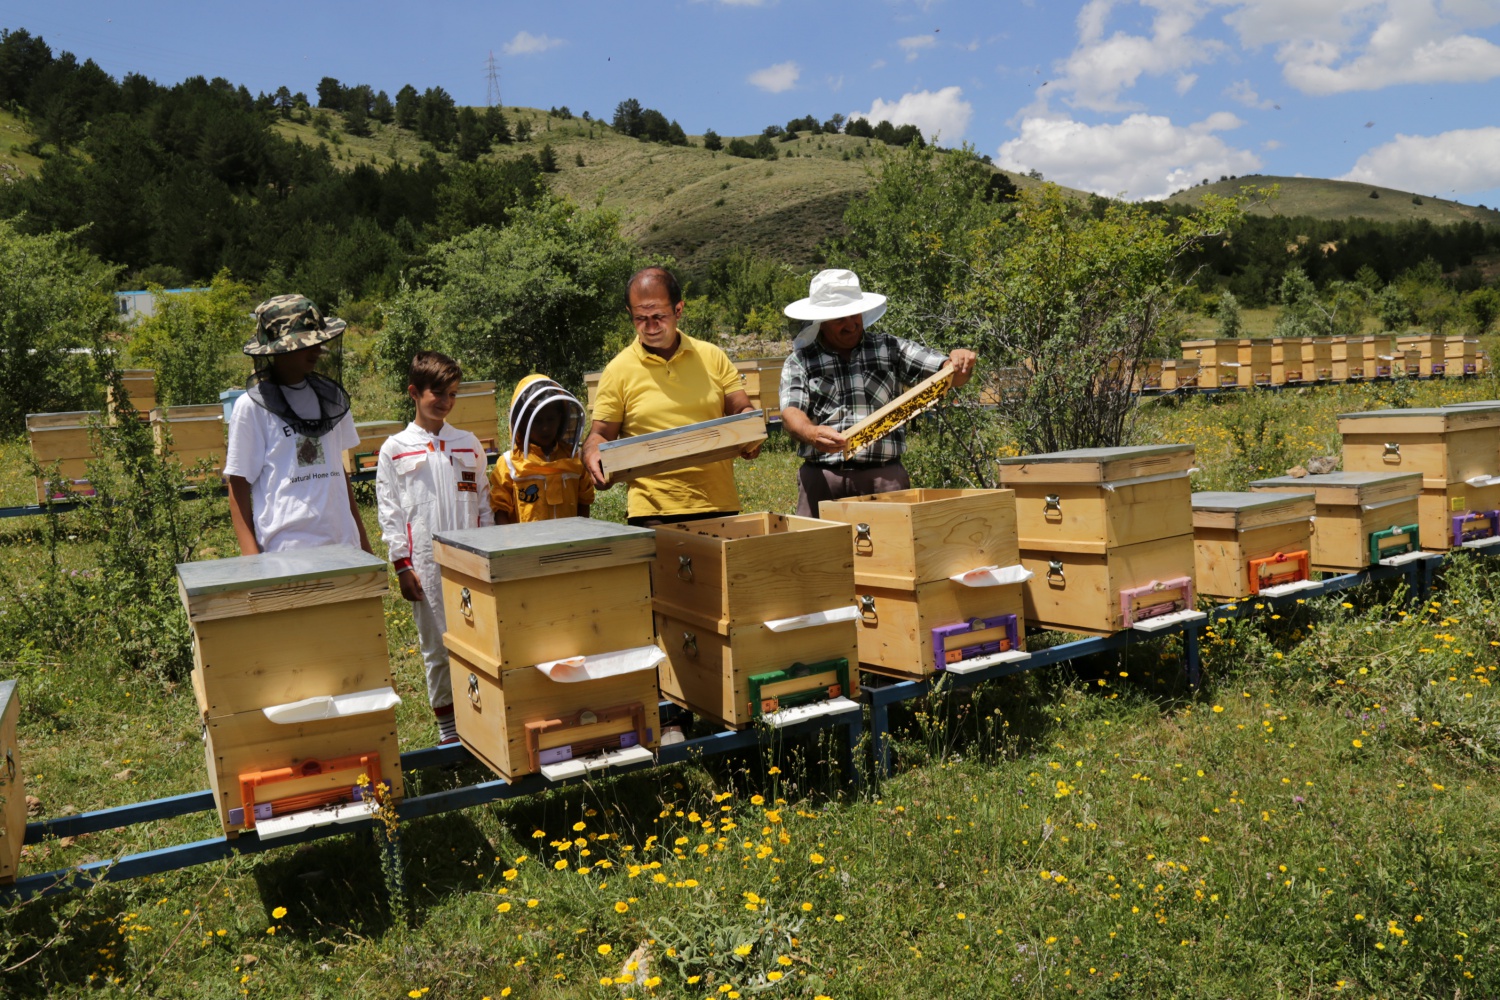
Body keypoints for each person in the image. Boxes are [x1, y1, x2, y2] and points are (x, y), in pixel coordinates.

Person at [779, 269, 977, 516]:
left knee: (893, 551)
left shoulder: (890, 347)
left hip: (884, 478)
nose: (851, 324)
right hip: (822, 478)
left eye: (855, 315)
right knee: (819, 553)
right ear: (821, 321)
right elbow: (791, 413)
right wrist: (812, 433)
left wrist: (959, 363)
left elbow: (946, 373)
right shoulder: (800, 361)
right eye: (840, 318)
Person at [375, 351, 493, 745]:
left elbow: (483, 502)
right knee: (437, 647)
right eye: (437, 393)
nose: (444, 401)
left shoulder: (467, 443)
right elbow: (389, 511)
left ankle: (482, 718)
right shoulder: (394, 449)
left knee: (479, 641)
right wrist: (401, 564)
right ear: (414, 392)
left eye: (453, 394)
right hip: (424, 565)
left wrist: (488, 551)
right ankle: (449, 729)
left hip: (471, 560)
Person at [584, 267, 761, 527]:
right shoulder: (618, 370)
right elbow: (599, 435)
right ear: (629, 314)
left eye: (658, 316)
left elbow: (741, 409)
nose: (650, 326)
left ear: (678, 310)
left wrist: (752, 430)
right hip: (652, 512)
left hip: (717, 505)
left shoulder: (712, 356)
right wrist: (592, 454)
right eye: (640, 318)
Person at [225, 293, 373, 555]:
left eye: (318, 340)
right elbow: (237, 486)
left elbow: (339, 471)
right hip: (286, 551)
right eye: (305, 343)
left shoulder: (333, 398)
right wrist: (252, 562)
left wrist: (363, 543)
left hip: (343, 546)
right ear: (278, 350)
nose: (317, 349)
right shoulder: (251, 408)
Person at [490, 374, 593, 523]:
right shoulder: (509, 463)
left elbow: (584, 501)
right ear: (523, 421)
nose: (545, 428)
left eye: (551, 419)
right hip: (526, 544)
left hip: (569, 542)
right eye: (537, 421)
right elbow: (500, 510)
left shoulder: (574, 458)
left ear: (561, 418)